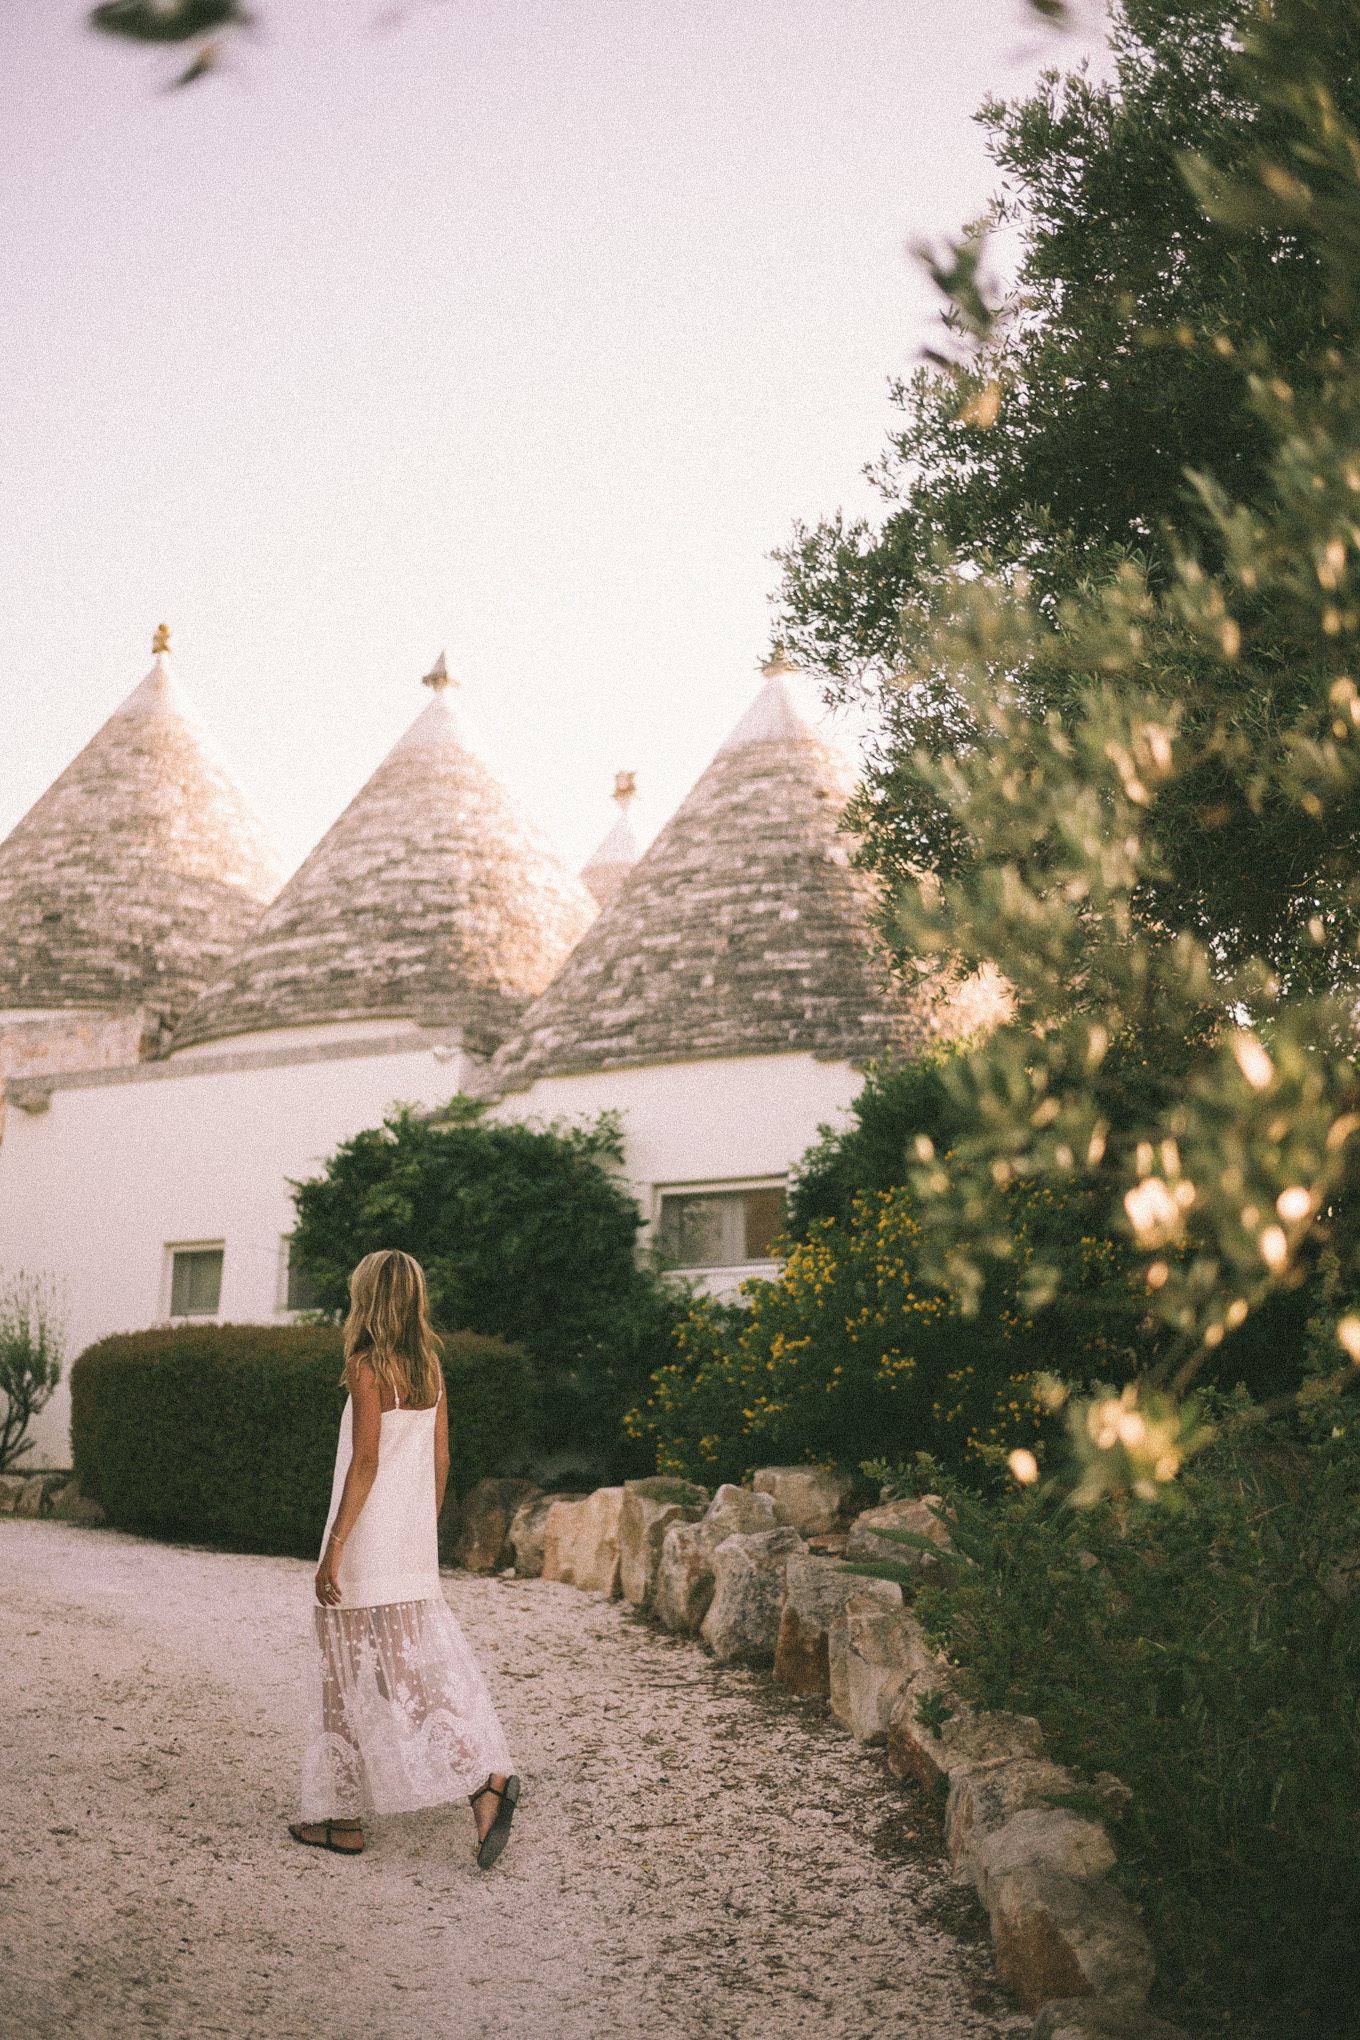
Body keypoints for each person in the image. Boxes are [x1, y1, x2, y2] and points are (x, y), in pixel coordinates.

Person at [289, 1249, 519, 1869]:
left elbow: (365, 1460)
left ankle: (343, 1819)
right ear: (414, 1299)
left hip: (364, 1539)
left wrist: (335, 1546)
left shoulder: (367, 1367)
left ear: (368, 1299)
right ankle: (482, 1783)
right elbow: (439, 1462)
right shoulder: (431, 1368)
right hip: (409, 1542)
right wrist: (422, 1534)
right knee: (402, 1674)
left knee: (339, 1671)